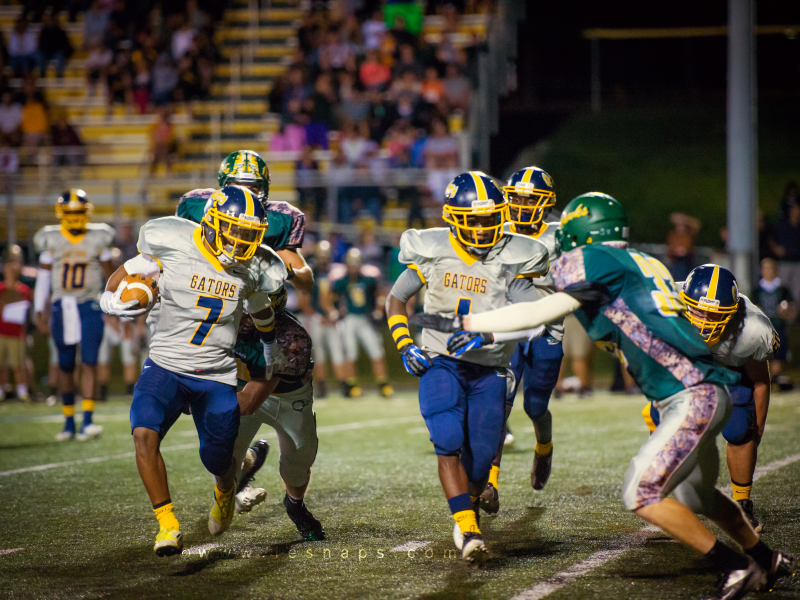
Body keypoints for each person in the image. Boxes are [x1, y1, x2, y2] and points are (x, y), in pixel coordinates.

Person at [451, 192, 795, 598]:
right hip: (699, 391)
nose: (563, 243)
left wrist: (470, 321)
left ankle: (736, 566)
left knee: (641, 491)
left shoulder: (595, 261)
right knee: (693, 492)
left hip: (691, 395)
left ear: (584, 234)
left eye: (570, 234)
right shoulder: (641, 262)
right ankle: (765, 559)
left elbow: (537, 312)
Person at [101, 185, 286, 557]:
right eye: (235, 229)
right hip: (166, 366)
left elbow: (260, 310)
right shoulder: (172, 242)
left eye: (249, 234)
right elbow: (124, 275)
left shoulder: (252, 269)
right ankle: (168, 525)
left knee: (216, 460)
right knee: (143, 433)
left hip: (216, 376)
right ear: (213, 222)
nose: (241, 240)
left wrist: (270, 344)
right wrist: (111, 301)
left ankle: (225, 489)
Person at [385, 171, 549, 561]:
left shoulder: (511, 257)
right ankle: (470, 530)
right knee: (446, 439)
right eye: (471, 219)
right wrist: (405, 343)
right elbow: (396, 299)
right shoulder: (434, 250)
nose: (480, 228)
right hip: (442, 361)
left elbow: (535, 317)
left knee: (481, 457)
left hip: (489, 369)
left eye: (488, 219)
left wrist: (491, 336)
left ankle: (468, 507)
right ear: (452, 216)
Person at [644, 264, 777, 533]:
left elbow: (760, 381)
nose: (703, 320)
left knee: (740, 428)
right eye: (697, 309)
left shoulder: (753, 329)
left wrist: (757, 430)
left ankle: (742, 504)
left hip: (730, 370)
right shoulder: (665, 302)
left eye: (713, 314)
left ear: (730, 313)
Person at [464, 166, 562, 514]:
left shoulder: (561, 236)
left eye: (529, 199)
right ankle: (489, 481)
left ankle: (544, 445)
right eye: (516, 198)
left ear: (546, 203)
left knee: (535, 406)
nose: (521, 205)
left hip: (548, 329)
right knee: (499, 401)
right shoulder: (496, 230)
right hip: (509, 328)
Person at [33, 190, 114, 441]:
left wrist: (113, 309)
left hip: (89, 306)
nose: (75, 218)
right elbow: (45, 277)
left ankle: (87, 422)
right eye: (70, 213)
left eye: (79, 212)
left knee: (89, 362)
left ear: (86, 213)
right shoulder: (52, 239)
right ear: (61, 214)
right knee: (66, 365)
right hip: (62, 306)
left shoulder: (98, 238)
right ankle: (69, 423)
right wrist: (39, 308)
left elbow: (111, 277)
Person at [330, 248, 393, 398]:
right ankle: (352, 385)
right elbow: (329, 297)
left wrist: (378, 309)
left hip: (366, 318)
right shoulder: (341, 280)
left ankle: (383, 384)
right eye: (351, 264)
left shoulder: (369, 278)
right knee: (350, 352)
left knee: (376, 350)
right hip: (349, 319)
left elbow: (380, 295)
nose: (353, 267)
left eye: (355, 263)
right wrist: (333, 310)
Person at [306, 240, 346, 399]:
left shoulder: (336, 273)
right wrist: (317, 316)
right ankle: (322, 386)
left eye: (326, 255)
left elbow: (342, 298)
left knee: (337, 351)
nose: (323, 258)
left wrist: (338, 314)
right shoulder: (310, 272)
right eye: (321, 255)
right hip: (317, 318)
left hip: (333, 319)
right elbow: (305, 299)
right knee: (319, 354)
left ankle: (344, 385)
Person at [751, 257, 795, 390]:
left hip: (778, 326)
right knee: (762, 354)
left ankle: (775, 378)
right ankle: (767, 378)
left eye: (770, 268)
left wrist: (786, 311)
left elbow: (791, 310)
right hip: (763, 328)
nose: (768, 271)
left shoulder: (782, 289)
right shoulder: (757, 290)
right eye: (765, 268)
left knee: (778, 353)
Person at [0, 245, 31, 403]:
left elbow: (22, 313)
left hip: (16, 332)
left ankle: (22, 392)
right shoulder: (1, 288)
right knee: (1, 365)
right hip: (1, 331)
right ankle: (2, 391)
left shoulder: (23, 289)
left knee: (18, 365)